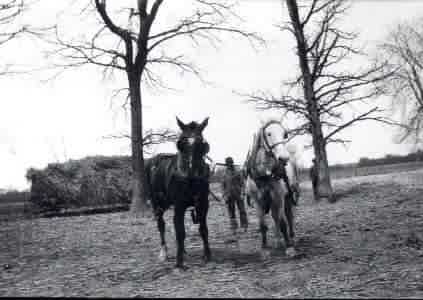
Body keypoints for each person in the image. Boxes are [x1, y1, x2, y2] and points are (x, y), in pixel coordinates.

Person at [221, 156, 248, 233]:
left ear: (232, 163)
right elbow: (222, 185)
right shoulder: (224, 173)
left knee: (242, 210)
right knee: (231, 212)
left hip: (238, 194)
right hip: (229, 195)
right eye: (228, 163)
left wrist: (243, 193)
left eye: (231, 163)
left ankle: (244, 226)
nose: (230, 164)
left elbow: (243, 183)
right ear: (226, 164)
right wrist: (224, 196)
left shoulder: (238, 171)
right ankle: (234, 228)